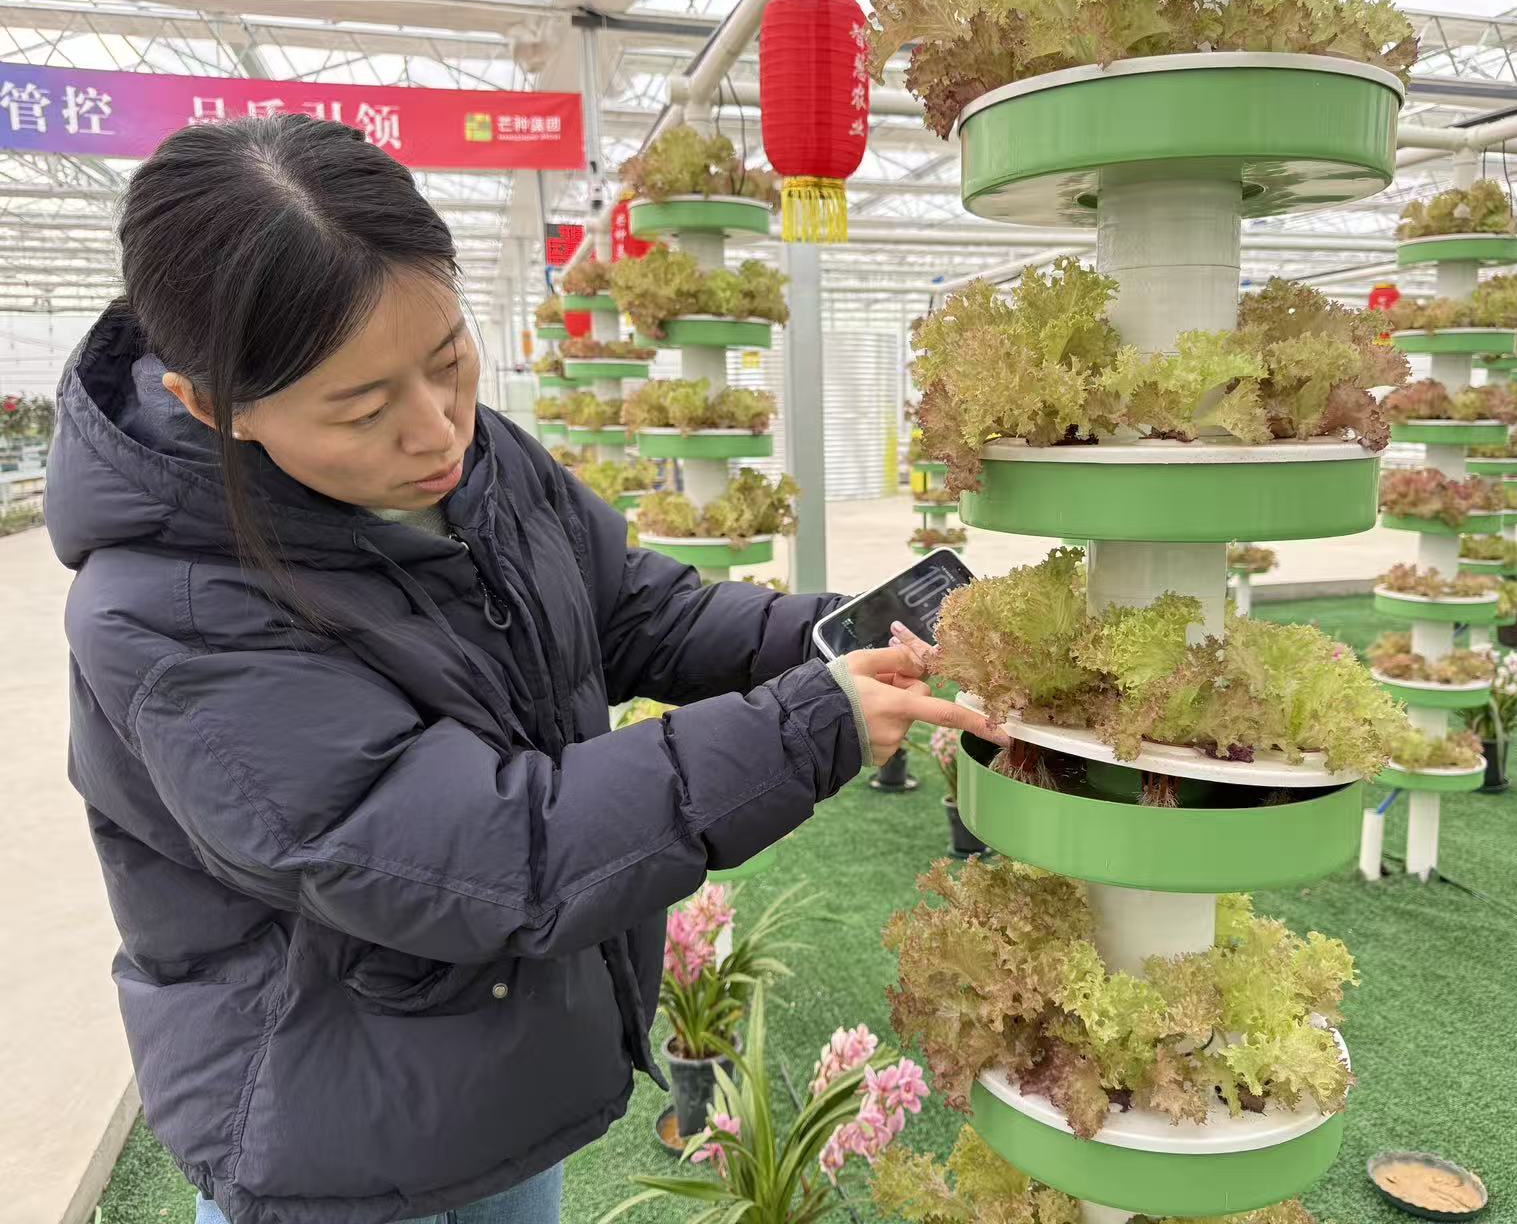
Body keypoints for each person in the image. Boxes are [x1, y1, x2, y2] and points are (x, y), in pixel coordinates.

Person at [45, 115, 1004, 1224]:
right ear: (213, 406)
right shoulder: (167, 612)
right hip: (336, 1132)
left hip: (504, 1067)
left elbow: (636, 609)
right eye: (363, 407)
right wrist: (801, 728)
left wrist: (829, 633)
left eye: (448, 358)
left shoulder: (479, 456)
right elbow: (482, 852)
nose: (437, 431)